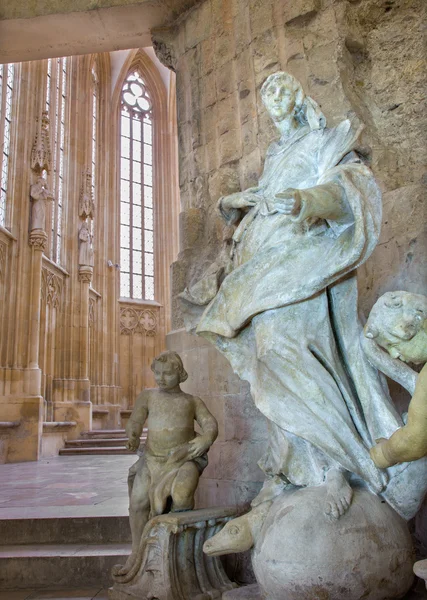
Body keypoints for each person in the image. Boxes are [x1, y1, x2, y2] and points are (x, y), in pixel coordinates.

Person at [181, 72, 422, 521]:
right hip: (261, 272)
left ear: (298, 99)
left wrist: (304, 199)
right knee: (268, 366)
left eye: (281, 89)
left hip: (303, 267)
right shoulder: (274, 154)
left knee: (290, 357)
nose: (274, 97)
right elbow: (259, 207)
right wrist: (239, 201)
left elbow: (351, 186)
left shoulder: (323, 141)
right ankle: (303, 466)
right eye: (267, 91)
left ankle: (342, 463)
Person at [116, 350, 218, 576]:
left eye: (167, 374)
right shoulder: (149, 396)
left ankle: (176, 550)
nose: (161, 378)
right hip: (152, 459)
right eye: (158, 373)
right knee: (138, 502)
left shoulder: (191, 401)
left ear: (180, 374)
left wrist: (206, 438)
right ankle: (137, 551)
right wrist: (132, 435)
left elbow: (209, 423)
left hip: (183, 458)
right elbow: (135, 420)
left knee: (181, 495)